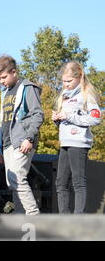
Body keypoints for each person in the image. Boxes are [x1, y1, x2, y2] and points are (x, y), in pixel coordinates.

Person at [0, 55, 43, 215]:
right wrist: (0, 149)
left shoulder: (27, 87)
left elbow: (37, 114)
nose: (1, 81)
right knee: (12, 181)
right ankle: (20, 217)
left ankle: (33, 215)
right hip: (8, 144)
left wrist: (29, 138)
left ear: (14, 72)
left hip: (22, 141)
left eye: (4, 77)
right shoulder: (6, 92)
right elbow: (5, 122)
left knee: (17, 179)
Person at [52, 61, 101, 214]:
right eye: (63, 81)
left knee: (78, 182)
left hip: (79, 143)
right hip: (65, 142)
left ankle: (78, 218)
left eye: (69, 81)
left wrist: (70, 116)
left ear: (79, 77)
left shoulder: (86, 94)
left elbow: (95, 119)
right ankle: (64, 218)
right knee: (60, 183)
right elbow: (66, 121)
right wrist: (58, 120)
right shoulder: (64, 96)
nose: (65, 84)